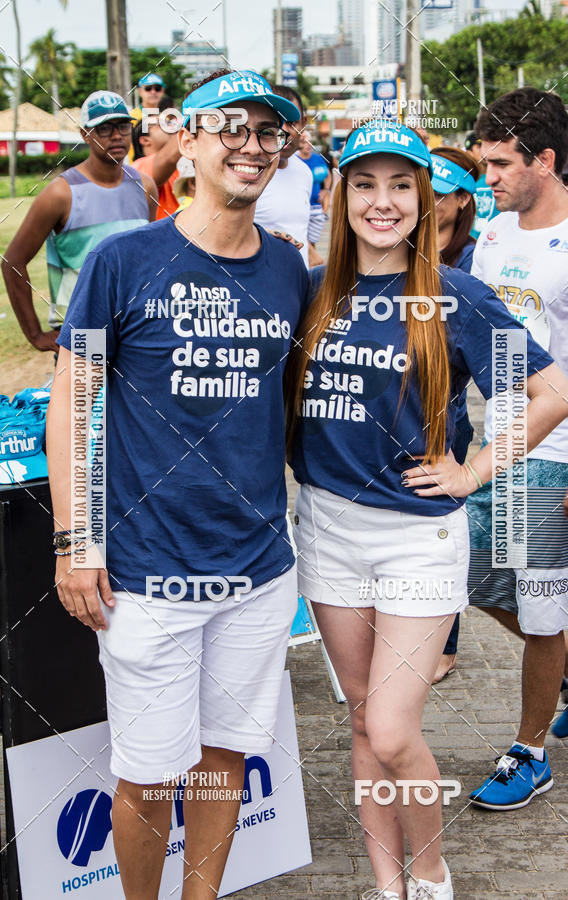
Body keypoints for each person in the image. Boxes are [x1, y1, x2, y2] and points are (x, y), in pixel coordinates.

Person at [285, 119, 568, 900]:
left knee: (391, 728)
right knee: (359, 721)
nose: (382, 202)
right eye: (365, 184)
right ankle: (388, 886)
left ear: (425, 200)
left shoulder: (456, 296)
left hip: (417, 540)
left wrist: (474, 470)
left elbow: (552, 393)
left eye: (399, 186)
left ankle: (432, 874)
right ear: (341, 195)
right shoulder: (311, 290)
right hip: (327, 531)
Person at [47, 69, 308, 899]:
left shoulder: (289, 270)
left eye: (267, 131)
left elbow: (291, 406)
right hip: (147, 573)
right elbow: (72, 401)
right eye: (229, 126)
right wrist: (74, 540)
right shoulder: (124, 260)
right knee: (150, 775)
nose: (250, 144)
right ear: (187, 140)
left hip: (258, 570)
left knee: (226, 757)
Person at [466, 88, 568, 812]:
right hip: (504, 443)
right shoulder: (493, 237)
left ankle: (529, 753)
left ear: (544, 161)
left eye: (500, 164)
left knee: (542, 607)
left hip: (565, 448)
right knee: (473, 578)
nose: (487, 178)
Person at [1, 90, 157, 352]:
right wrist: (36, 336)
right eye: (104, 128)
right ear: (85, 134)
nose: (116, 135)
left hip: (135, 329)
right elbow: (12, 263)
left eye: (122, 126)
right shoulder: (61, 193)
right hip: (84, 333)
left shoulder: (145, 186)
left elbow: (147, 259)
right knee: (83, 383)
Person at [429, 147, 479, 683]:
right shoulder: (400, 242)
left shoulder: (471, 262)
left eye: (440, 193)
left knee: (442, 525)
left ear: (463, 200)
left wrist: (476, 470)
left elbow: (535, 388)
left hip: (448, 417)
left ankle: (445, 643)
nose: (428, 200)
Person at [254, 84, 313, 266]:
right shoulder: (245, 172)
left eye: (291, 122)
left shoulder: (304, 172)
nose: (285, 130)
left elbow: (297, 228)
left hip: (299, 280)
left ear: (303, 123)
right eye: (276, 123)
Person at [131, 95, 180, 219]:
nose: (170, 126)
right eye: (161, 124)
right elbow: (170, 157)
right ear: (145, 140)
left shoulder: (179, 163)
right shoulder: (139, 166)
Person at [298, 129, 333, 264]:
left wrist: (326, 190)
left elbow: (328, 176)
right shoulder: (294, 161)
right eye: (303, 142)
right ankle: (309, 266)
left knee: (312, 242)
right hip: (301, 208)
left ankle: (310, 267)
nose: (307, 145)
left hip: (317, 208)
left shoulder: (318, 159)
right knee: (302, 242)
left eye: (309, 142)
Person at [465, 131, 499, 239]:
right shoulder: (465, 181)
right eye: (479, 146)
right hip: (471, 242)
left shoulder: (500, 178)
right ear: (469, 152)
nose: (485, 150)